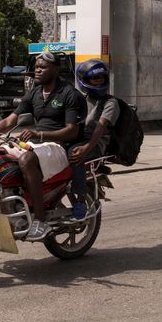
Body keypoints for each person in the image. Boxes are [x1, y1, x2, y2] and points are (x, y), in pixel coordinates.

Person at [0, 51, 86, 240]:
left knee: (26, 159)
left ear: (56, 69)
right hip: (37, 144)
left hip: (58, 146)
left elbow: (72, 131)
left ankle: (40, 220)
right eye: (37, 67)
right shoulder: (34, 93)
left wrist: (40, 133)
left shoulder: (68, 93)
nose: (38, 70)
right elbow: (10, 120)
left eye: (43, 67)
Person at [68, 59, 120, 219]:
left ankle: (81, 200)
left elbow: (100, 127)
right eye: (94, 79)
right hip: (76, 139)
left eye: (101, 78)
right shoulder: (80, 99)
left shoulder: (110, 102)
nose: (99, 81)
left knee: (73, 154)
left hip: (94, 145)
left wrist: (87, 147)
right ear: (84, 81)